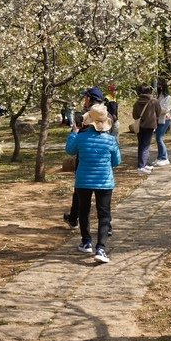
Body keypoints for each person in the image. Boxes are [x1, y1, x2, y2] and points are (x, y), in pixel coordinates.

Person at [65, 102, 120, 264]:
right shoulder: (111, 140)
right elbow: (117, 161)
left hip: (83, 180)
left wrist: (74, 133)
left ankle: (86, 242)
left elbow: (69, 151)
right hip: (105, 181)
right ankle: (101, 248)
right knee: (104, 214)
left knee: (84, 211)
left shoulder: (81, 138)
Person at [63, 87, 108, 229]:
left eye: (85, 97)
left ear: (89, 98)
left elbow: (73, 145)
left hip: (84, 159)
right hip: (103, 162)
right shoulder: (106, 113)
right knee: (103, 200)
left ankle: (74, 219)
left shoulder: (88, 115)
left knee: (80, 192)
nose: (84, 99)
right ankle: (107, 227)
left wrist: (74, 132)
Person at [131, 84, 162, 174]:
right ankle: (141, 167)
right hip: (150, 126)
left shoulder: (136, 103)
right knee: (145, 146)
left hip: (139, 126)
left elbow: (134, 115)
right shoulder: (154, 101)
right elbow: (158, 112)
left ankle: (142, 164)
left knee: (141, 145)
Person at [154, 80, 171, 167]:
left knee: (159, 138)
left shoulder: (168, 97)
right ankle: (159, 157)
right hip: (158, 119)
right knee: (158, 138)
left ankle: (164, 158)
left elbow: (166, 109)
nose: (158, 87)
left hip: (165, 119)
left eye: (160, 85)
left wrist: (157, 110)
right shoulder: (158, 96)